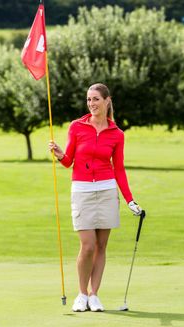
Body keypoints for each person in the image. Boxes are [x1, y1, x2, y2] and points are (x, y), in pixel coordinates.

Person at [48, 83, 143, 312]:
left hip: (107, 190)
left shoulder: (116, 134)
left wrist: (129, 199)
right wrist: (60, 155)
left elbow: (119, 169)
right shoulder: (77, 127)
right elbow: (69, 161)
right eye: (89, 99)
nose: (91, 104)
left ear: (106, 101)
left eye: (96, 99)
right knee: (88, 245)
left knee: (101, 245)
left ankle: (94, 295)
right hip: (82, 191)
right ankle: (81, 294)